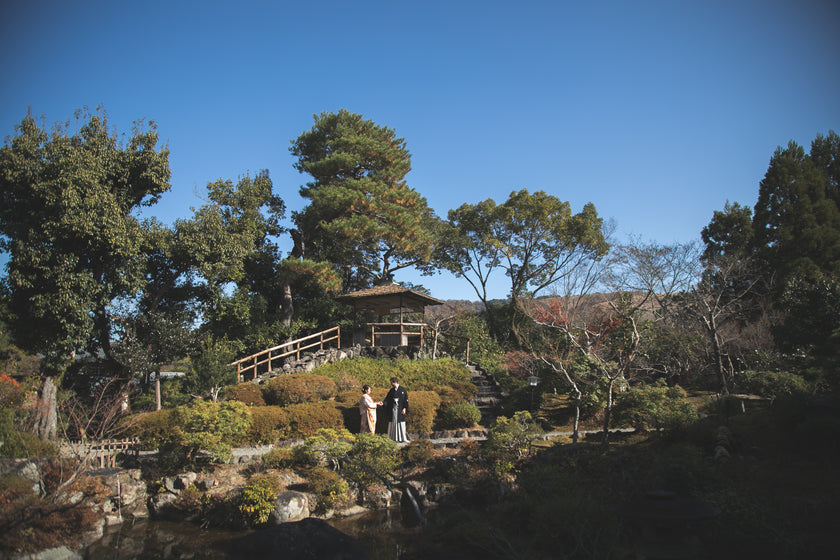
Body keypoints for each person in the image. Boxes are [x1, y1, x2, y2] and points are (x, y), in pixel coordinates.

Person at [381, 377, 409, 443]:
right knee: (392, 423)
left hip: (400, 409)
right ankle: (392, 437)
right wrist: (383, 403)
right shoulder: (391, 390)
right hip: (393, 410)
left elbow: (405, 400)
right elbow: (387, 399)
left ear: (395, 382)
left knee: (401, 423)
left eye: (391, 382)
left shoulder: (402, 389)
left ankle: (402, 438)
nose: (391, 384)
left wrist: (405, 408)